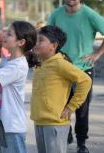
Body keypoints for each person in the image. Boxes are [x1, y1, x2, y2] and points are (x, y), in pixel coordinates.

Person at [47, 0, 104, 153]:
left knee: (82, 109)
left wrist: (97, 54)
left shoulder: (90, 15)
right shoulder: (56, 14)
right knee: (60, 105)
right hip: (61, 68)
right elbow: (47, 37)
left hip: (83, 69)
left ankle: (81, 144)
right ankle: (67, 131)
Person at [31, 25, 92, 153]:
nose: (36, 43)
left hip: (55, 123)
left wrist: (71, 106)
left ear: (53, 45)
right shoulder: (40, 64)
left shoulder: (60, 64)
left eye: (40, 40)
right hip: (39, 121)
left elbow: (85, 80)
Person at [0, 21, 37, 153]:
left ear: (21, 42)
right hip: (1, 122)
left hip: (12, 125)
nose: (4, 35)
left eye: (9, 34)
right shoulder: (7, 61)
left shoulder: (17, 66)